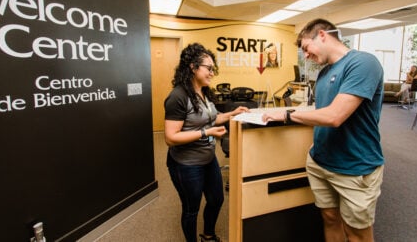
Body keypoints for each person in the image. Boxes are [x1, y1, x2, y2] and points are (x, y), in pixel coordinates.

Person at [262, 19, 385, 242]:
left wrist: (288, 115)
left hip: (355, 167)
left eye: (306, 48)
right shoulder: (324, 73)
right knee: (329, 217)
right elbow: (321, 112)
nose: (306, 56)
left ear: (322, 35)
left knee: (356, 232)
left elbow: (334, 116)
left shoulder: (363, 63)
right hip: (320, 162)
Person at [164, 43, 249, 242]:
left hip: (208, 159)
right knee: (191, 209)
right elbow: (170, 137)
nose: (212, 73)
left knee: (216, 199)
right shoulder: (178, 96)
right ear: (193, 67)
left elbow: (212, 118)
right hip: (186, 164)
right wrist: (206, 133)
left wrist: (232, 114)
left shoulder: (204, 91)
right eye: (208, 68)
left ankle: (208, 235)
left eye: (213, 69)